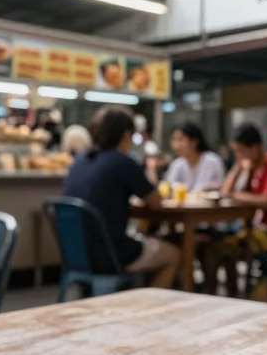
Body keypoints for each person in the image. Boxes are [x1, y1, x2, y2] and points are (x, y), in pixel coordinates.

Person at [62, 107, 180, 289]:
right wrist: (150, 169)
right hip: (110, 254)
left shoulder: (79, 161)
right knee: (173, 255)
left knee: (144, 242)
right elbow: (156, 202)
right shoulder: (122, 161)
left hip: (77, 254)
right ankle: (153, 311)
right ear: (126, 135)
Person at [201, 123, 267, 300]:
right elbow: (226, 191)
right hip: (255, 229)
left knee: (223, 247)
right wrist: (237, 168)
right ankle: (230, 294)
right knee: (217, 246)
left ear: (255, 147)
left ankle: (230, 295)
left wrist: (237, 194)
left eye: (241, 151)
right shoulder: (252, 167)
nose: (239, 156)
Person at [163, 122, 227, 192]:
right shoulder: (177, 164)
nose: (176, 145)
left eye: (180, 140)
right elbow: (168, 185)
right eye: (174, 140)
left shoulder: (211, 161)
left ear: (194, 142)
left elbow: (219, 187)